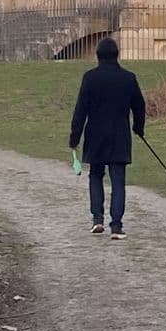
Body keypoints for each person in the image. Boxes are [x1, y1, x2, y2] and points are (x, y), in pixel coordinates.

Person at [68, 36, 145, 239]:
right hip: (120, 135)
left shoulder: (90, 78)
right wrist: (139, 127)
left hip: (95, 135)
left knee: (95, 176)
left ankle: (97, 219)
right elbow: (139, 105)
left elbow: (80, 110)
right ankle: (117, 225)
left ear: (98, 55)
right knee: (118, 180)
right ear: (117, 55)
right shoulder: (128, 78)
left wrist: (74, 136)